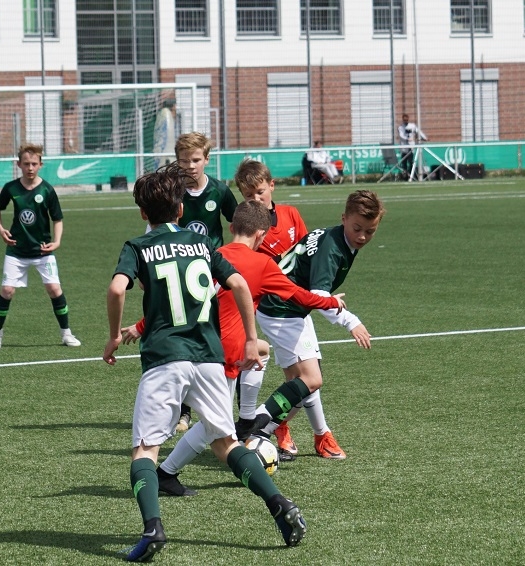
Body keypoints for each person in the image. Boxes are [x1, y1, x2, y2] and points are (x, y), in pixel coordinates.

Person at [103, 164, 307, 561]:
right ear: (181, 209)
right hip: (210, 358)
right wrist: (251, 339)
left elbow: (116, 289)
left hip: (165, 357)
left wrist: (113, 336)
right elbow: (239, 283)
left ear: (143, 213)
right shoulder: (201, 246)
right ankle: (280, 505)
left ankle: (153, 529)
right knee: (226, 444)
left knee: (145, 450)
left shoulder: (138, 246)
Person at [123, 199, 345, 497]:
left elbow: (184, 299)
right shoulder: (262, 264)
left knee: (260, 354)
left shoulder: (211, 254)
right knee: (215, 425)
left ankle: (244, 420)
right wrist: (332, 301)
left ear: (231, 227)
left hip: (196, 343)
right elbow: (300, 297)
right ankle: (168, 471)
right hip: (222, 354)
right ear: (262, 235)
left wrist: (140, 326)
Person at [245, 190, 386, 460]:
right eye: (357, 228)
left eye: (370, 231)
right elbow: (320, 295)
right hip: (281, 309)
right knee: (310, 380)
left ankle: (318, 436)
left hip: (292, 306)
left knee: (301, 383)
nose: (362, 237)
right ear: (344, 218)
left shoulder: (338, 237)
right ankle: (254, 430)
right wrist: (351, 322)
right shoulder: (332, 248)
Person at [234, 159, 329, 461]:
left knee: (302, 376)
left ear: (272, 186)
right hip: (275, 310)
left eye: (260, 192)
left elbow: (307, 251)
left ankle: (288, 428)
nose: (256, 199)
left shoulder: (290, 214)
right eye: (249, 196)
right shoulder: (251, 231)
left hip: (297, 303)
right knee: (304, 376)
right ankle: (296, 431)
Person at [172, 132, 240, 432]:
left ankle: (224, 405)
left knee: (218, 338)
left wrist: (232, 257)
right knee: (185, 338)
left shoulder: (220, 191)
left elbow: (239, 225)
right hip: (181, 273)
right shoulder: (173, 191)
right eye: (184, 160)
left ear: (207, 160)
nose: (190, 166)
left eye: (196, 160)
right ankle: (184, 411)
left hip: (214, 275)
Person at [0, 143, 80, 350]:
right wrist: (1, 230)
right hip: (16, 250)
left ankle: (66, 333)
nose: (30, 167)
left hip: (43, 251)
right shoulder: (11, 188)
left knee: (54, 289)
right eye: (26, 163)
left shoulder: (47, 189)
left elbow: (57, 219)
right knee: (7, 290)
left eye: (34, 164)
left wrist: (57, 241)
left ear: (40, 165)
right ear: (18, 164)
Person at [397, 114, 428, 180]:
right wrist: (407, 139)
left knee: (411, 162)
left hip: (411, 147)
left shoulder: (412, 126)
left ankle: (411, 176)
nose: (406, 121)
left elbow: (418, 131)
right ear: (403, 120)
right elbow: (401, 136)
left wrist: (424, 137)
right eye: (404, 120)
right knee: (404, 163)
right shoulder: (400, 127)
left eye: (407, 120)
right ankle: (405, 176)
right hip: (404, 148)